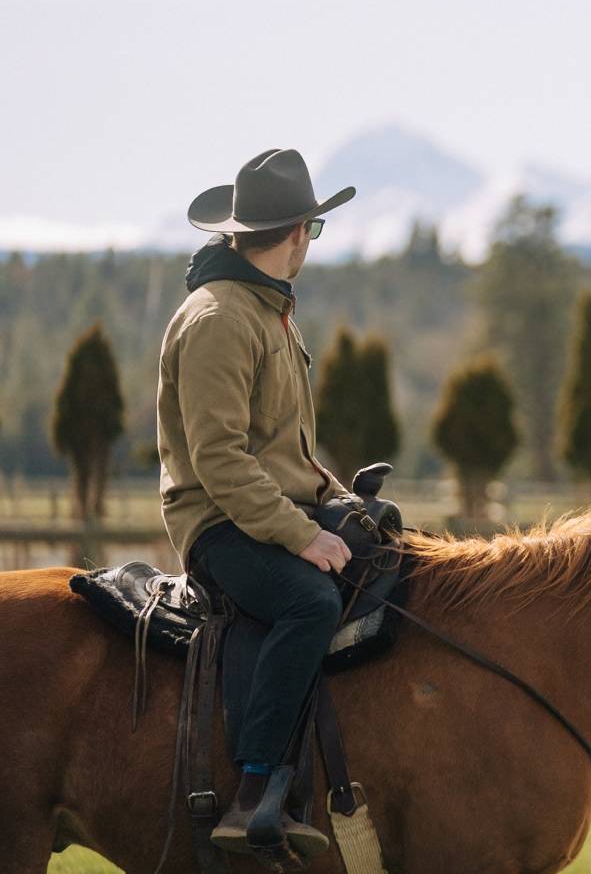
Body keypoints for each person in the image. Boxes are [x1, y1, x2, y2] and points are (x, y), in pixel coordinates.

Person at [156, 148, 358, 857]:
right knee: (310, 602)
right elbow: (220, 461)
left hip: (266, 507)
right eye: (315, 231)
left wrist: (342, 502)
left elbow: (285, 452)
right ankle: (253, 792)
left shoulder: (268, 311)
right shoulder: (218, 319)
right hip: (219, 523)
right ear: (299, 232)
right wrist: (302, 537)